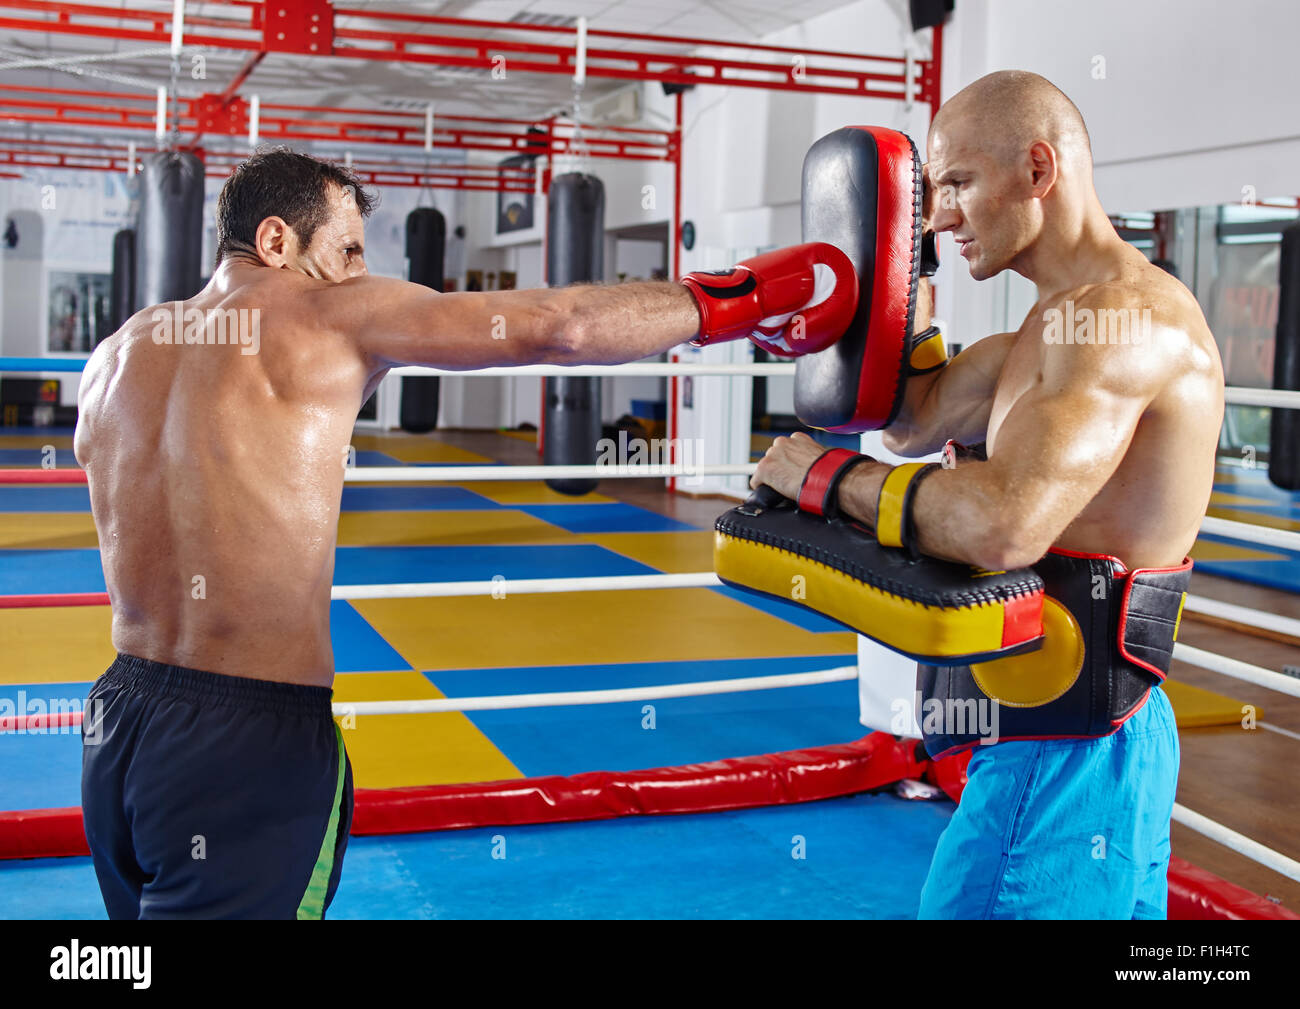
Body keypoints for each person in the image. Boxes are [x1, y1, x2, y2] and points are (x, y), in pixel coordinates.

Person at [74, 146, 858, 919]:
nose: (356, 273)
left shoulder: (114, 357)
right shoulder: (325, 312)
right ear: (276, 241)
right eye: (346, 250)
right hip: (247, 743)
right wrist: (741, 299)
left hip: (118, 722)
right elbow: (559, 329)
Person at [751, 71, 1225, 918]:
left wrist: (823, 477)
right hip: (1067, 734)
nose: (938, 216)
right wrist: (902, 296)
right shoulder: (1041, 334)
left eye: (959, 183)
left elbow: (1004, 525)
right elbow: (911, 425)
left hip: (1070, 742)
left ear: (1039, 168)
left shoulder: (1125, 323)